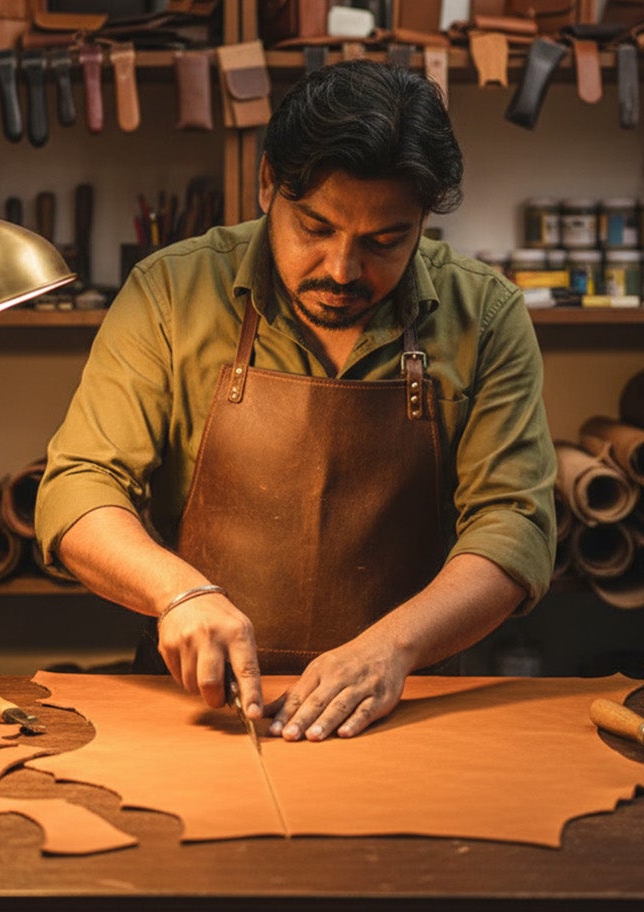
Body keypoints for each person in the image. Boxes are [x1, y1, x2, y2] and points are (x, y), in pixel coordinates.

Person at [37, 61, 556, 742]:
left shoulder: (484, 314)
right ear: (266, 185)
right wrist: (178, 592)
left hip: (404, 705)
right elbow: (78, 488)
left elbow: (514, 525)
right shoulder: (171, 292)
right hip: (201, 707)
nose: (342, 270)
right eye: (315, 228)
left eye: (383, 242)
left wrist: (393, 648)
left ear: (422, 221)